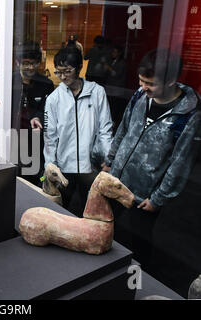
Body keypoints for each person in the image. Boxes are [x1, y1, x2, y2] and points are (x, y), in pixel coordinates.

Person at [102, 48, 201, 268]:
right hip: (118, 179)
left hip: (146, 194)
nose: (143, 87)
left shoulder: (188, 115)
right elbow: (124, 128)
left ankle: (135, 281)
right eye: (141, 80)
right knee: (107, 227)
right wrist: (110, 161)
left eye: (150, 83)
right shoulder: (140, 95)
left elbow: (180, 162)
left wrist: (158, 198)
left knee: (138, 241)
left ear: (171, 81)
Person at [44, 46, 113, 216]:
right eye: (58, 72)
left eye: (67, 70)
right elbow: (50, 136)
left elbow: (105, 128)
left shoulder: (97, 92)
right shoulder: (54, 98)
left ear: (80, 67)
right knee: (60, 210)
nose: (62, 76)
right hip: (64, 166)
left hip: (91, 166)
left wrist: (108, 159)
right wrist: (50, 165)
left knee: (91, 210)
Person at [12, 41, 55, 185]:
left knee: (34, 176)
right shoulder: (9, 81)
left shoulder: (46, 84)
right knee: (13, 175)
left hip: (35, 139)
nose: (30, 67)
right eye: (26, 63)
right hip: (13, 135)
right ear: (18, 62)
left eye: (34, 63)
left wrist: (39, 117)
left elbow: (48, 111)